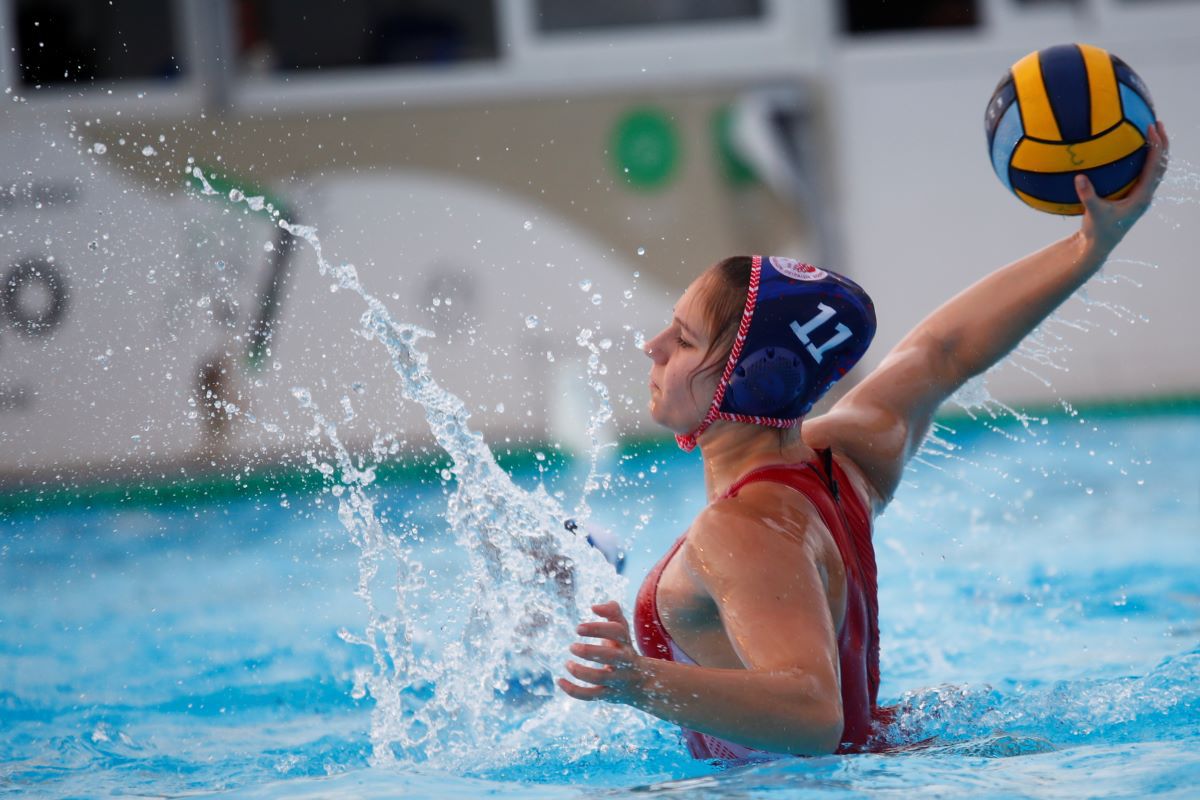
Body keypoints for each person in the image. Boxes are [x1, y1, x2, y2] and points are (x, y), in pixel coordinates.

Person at [557, 122, 1170, 759]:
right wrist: (1087, 247)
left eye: (683, 341)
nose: (653, 348)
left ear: (750, 380)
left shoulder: (743, 530)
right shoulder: (842, 459)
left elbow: (814, 714)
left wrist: (641, 682)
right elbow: (942, 350)